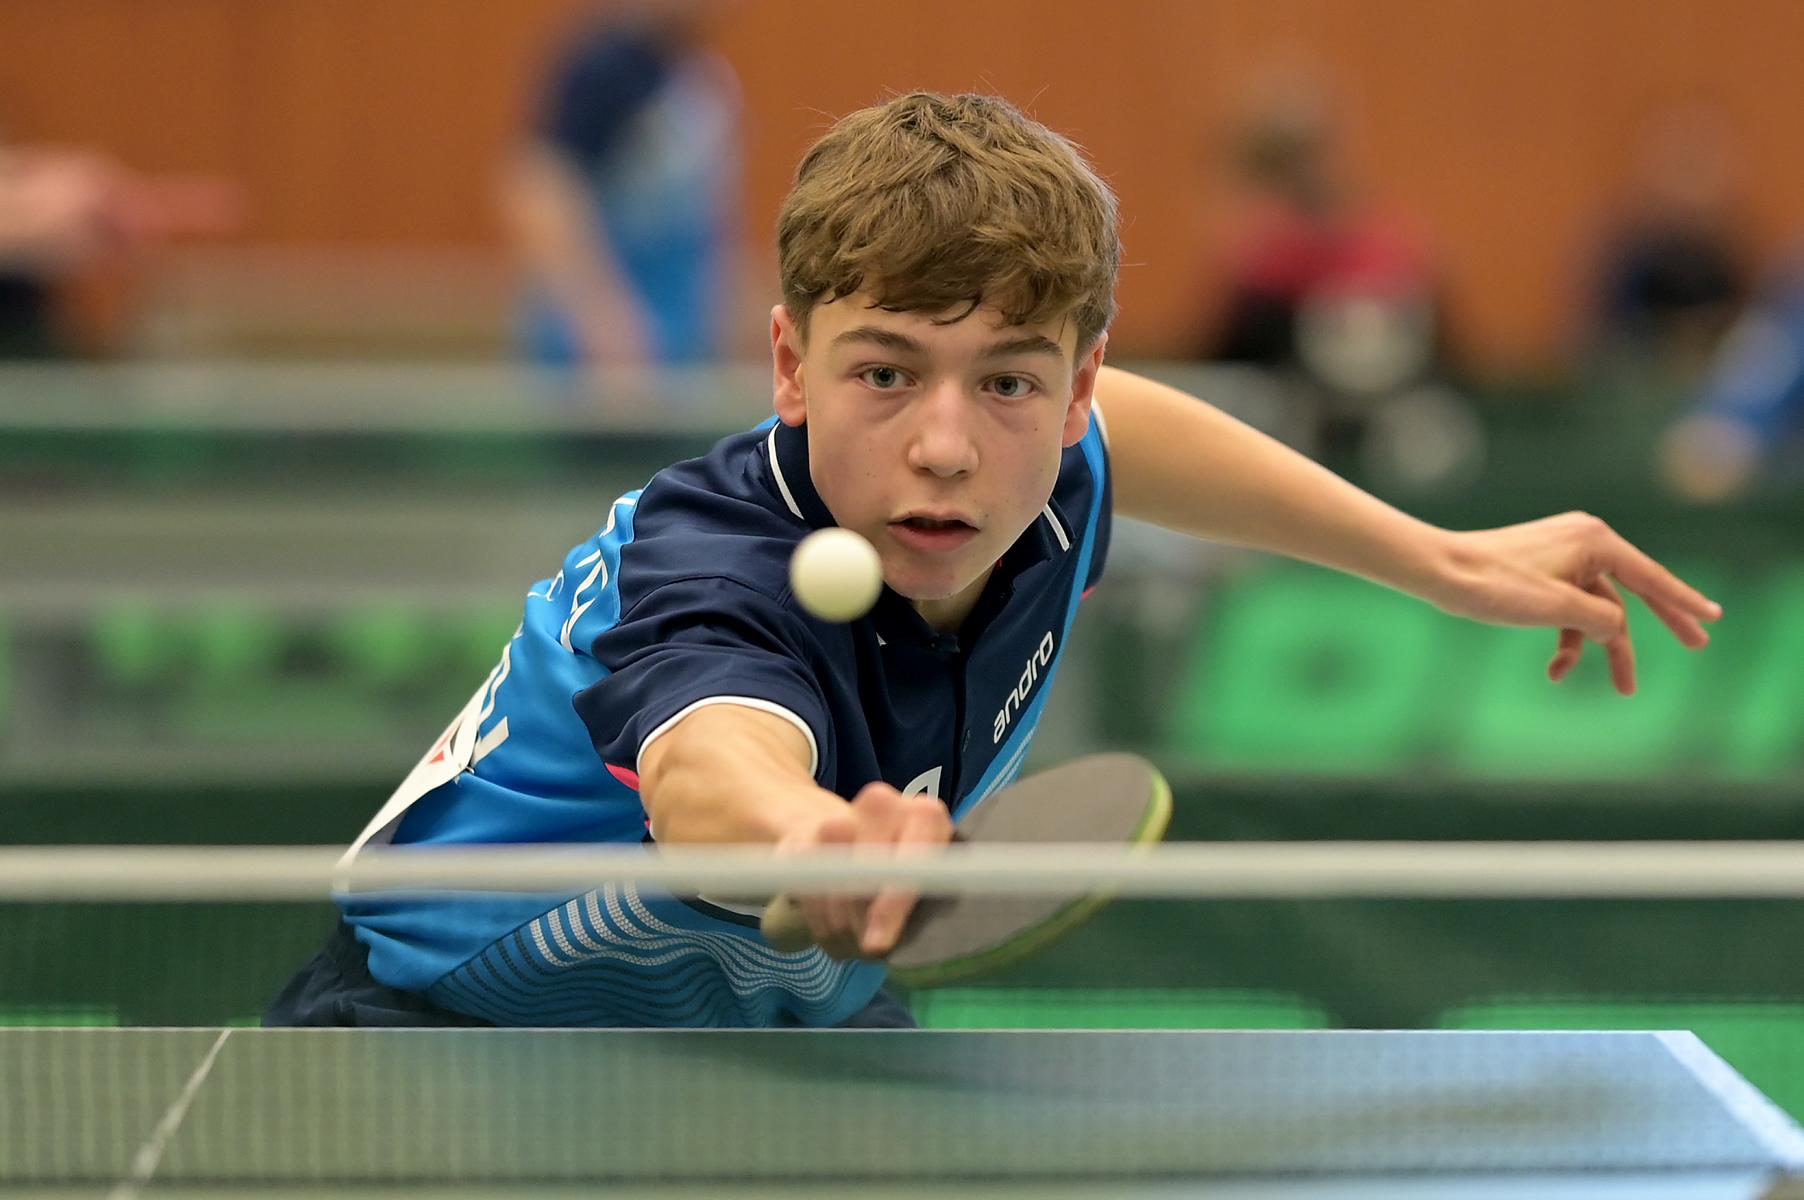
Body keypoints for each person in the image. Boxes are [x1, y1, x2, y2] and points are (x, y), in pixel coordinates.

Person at [267, 92, 1721, 1031]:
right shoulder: (704, 566)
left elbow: (1129, 428)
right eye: (884, 373)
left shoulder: (1054, 463)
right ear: (789, 365)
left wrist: (1440, 559)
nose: (950, 447)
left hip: (778, 1013)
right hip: (452, 1038)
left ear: (1070, 387)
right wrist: (807, 839)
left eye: (1011, 380)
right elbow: (714, 760)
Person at [500, 0, 740, 374]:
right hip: (604, 354)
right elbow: (537, 187)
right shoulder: (604, 71)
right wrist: (602, 321)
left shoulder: (699, 77)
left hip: (679, 337)